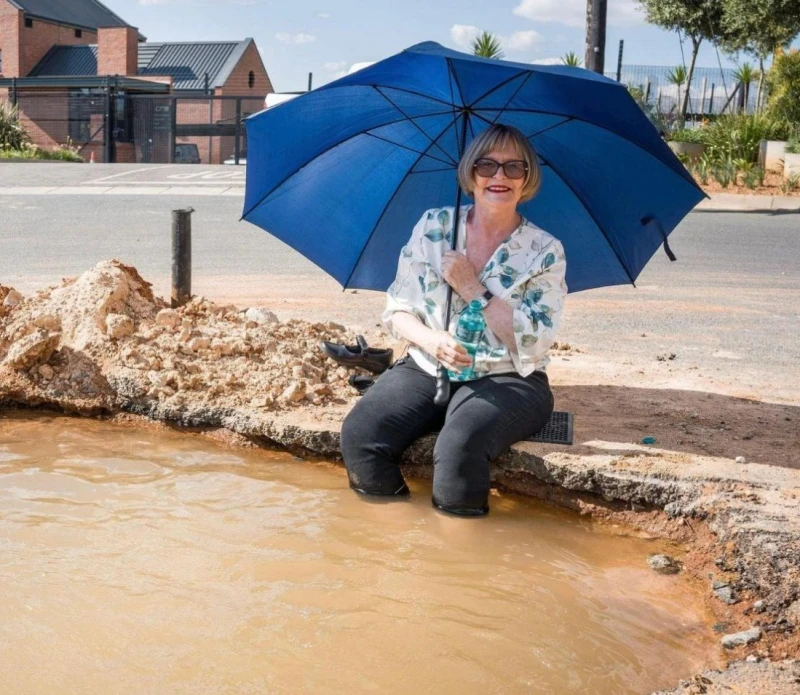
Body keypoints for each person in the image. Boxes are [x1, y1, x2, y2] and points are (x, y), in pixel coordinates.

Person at [340, 123, 567, 516]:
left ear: (527, 178)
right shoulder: (435, 226)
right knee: (361, 435)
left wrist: (472, 287)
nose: (499, 176)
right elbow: (398, 308)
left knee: (458, 448)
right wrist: (431, 341)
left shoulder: (545, 251)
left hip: (508, 376)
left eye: (514, 168)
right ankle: (400, 541)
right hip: (429, 364)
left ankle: (460, 561)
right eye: (487, 165)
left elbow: (533, 340)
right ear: (470, 173)